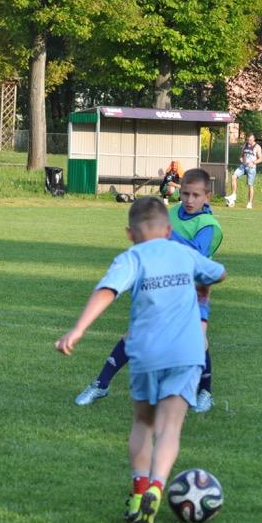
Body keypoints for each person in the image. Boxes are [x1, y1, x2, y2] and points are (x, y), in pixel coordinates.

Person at [55, 196, 226, 523]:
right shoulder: (183, 253)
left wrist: (78, 329)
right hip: (186, 352)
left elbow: (107, 291)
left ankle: (138, 494)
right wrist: (202, 287)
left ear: (130, 233)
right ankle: (157, 489)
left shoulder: (131, 258)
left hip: (147, 353)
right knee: (170, 429)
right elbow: (218, 272)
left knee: (143, 423)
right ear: (169, 230)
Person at [75, 168, 223, 412]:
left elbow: (196, 254)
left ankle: (205, 392)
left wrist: (165, 235)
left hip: (194, 290)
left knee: (198, 340)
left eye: (196, 195)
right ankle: (100, 384)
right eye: (185, 193)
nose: (189, 200)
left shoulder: (208, 225)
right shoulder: (172, 213)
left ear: (207, 196)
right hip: (163, 284)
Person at [224, 133, 262, 209]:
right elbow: (241, 156)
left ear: (254, 139)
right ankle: (233, 195)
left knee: (250, 185)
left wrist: (253, 162)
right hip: (243, 166)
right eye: (248, 140)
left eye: (251, 140)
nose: (249, 141)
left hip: (251, 168)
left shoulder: (257, 147)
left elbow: (261, 159)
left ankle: (250, 203)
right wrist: (241, 159)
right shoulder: (245, 145)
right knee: (233, 176)